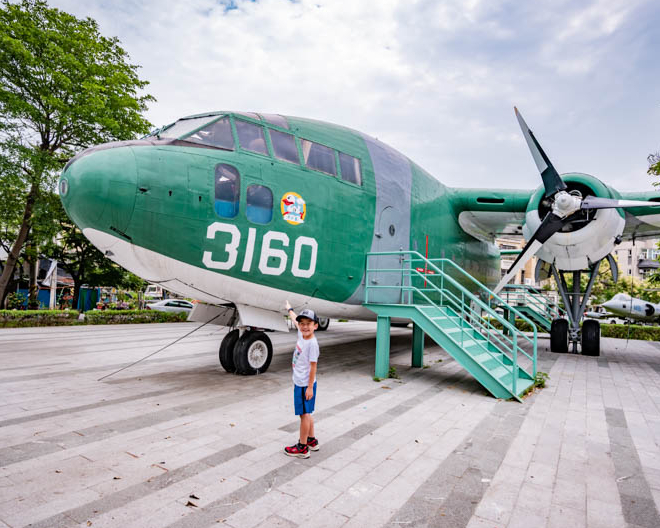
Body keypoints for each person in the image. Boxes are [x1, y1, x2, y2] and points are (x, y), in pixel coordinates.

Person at [284, 300, 320, 458]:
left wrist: (310, 387)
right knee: (307, 412)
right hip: (300, 382)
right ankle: (312, 440)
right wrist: (289, 309)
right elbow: (294, 318)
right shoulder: (301, 333)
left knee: (304, 415)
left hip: (305, 384)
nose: (304, 326)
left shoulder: (312, 344)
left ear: (315, 326)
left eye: (309, 324)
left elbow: (313, 366)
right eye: (302, 323)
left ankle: (302, 447)